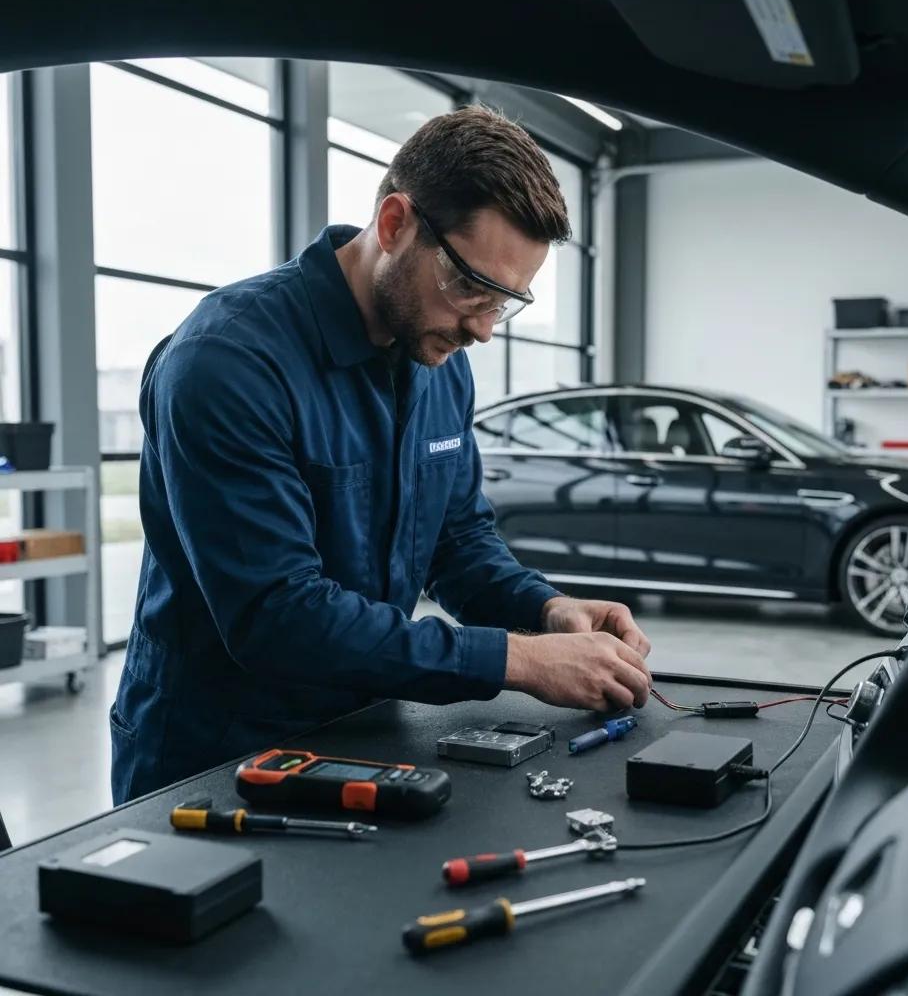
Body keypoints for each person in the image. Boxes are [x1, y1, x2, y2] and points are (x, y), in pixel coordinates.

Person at [110, 105, 651, 804]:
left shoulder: (438, 357)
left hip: (365, 731)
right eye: (470, 288)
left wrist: (548, 610)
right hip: (212, 759)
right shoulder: (227, 363)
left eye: (505, 301)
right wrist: (518, 659)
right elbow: (280, 616)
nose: (484, 330)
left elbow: (457, 543)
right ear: (394, 224)